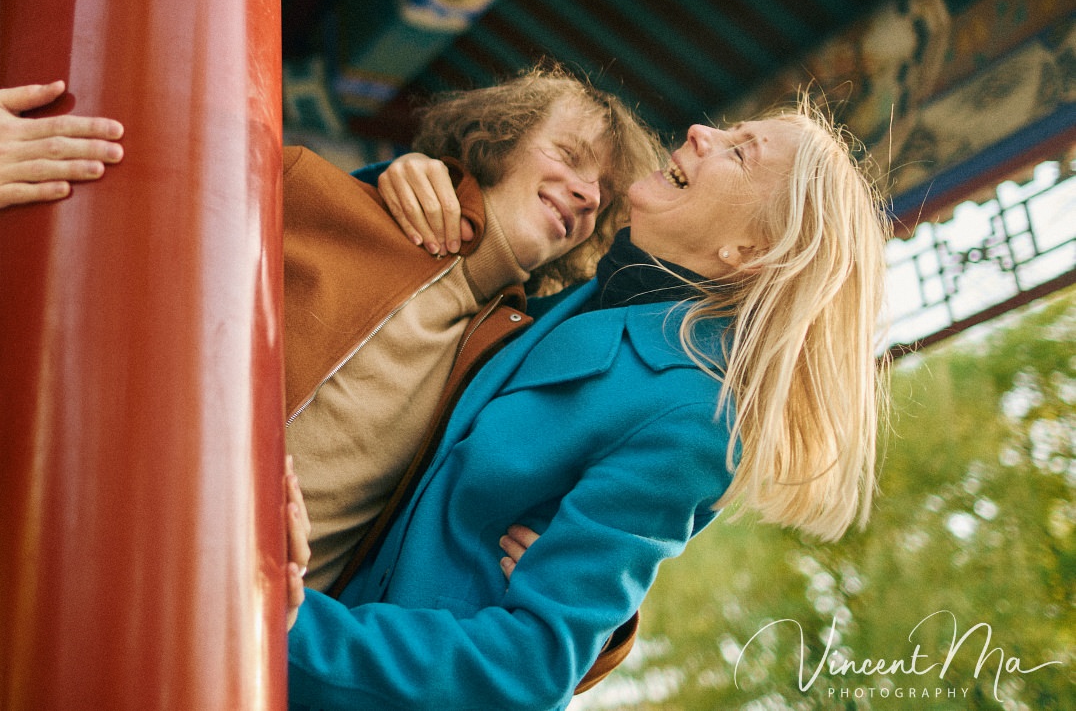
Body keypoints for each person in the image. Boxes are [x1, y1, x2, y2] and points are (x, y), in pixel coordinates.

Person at [0, 66, 652, 709]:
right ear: (499, 136)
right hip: (47, 532)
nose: (584, 190)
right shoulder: (321, 195)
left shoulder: (519, 366)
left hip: (208, 659)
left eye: (603, 192)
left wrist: (605, 619)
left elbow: (565, 590)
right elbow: (73, 249)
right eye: (571, 155)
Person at [284, 93, 890, 710]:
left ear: (751, 250)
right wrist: (423, 183)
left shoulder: (696, 414)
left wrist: (280, 631)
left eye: (741, 152)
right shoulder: (580, 300)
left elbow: (531, 665)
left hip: (336, 664)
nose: (700, 130)